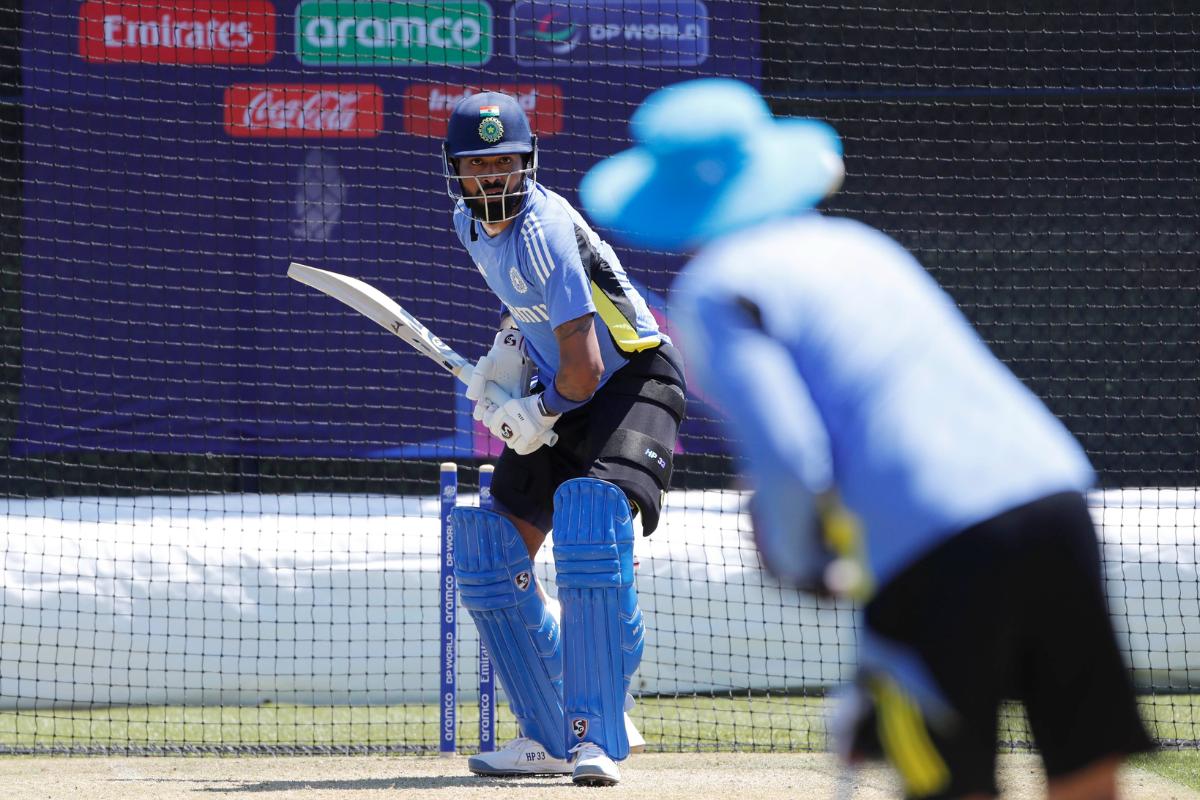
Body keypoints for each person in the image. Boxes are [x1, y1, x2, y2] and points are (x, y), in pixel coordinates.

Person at [579, 78, 1152, 800]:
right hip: (1053, 496)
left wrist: (798, 558)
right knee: (1085, 768)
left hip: (935, 542)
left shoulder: (717, 289)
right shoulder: (861, 243)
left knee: (951, 783)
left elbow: (791, 454)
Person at [441, 91, 687, 786]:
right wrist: (506, 357)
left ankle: (599, 735)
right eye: (478, 166)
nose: (494, 180)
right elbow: (531, 309)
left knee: (588, 522)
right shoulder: (469, 224)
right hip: (568, 386)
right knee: (491, 553)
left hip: (632, 379)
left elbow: (588, 367)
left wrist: (537, 411)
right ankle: (549, 734)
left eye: (508, 165)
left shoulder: (546, 228)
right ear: (454, 171)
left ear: (529, 164)